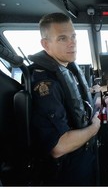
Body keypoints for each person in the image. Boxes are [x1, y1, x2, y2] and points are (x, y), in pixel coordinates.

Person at [28, 12, 101, 186]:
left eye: (73, 36)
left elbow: (73, 102)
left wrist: (95, 97)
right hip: (67, 171)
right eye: (62, 38)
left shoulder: (65, 69)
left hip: (82, 157)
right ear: (46, 44)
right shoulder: (45, 84)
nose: (72, 43)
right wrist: (95, 127)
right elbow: (58, 147)